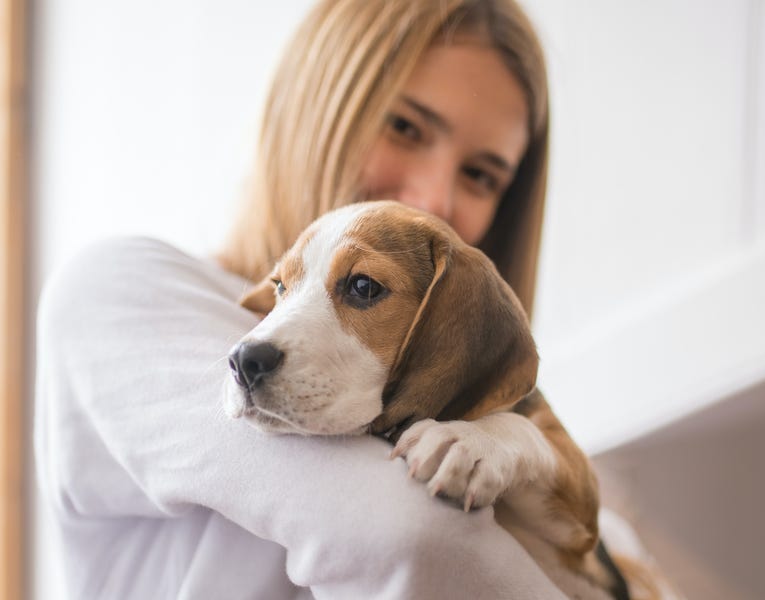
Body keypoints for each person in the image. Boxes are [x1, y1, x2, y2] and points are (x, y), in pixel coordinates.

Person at [35, 1, 568, 598]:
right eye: (406, 127)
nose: (433, 198)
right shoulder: (121, 289)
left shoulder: (483, 416)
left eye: (481, 175)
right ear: (315, 107)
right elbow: (412, 539)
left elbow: (604, 554)